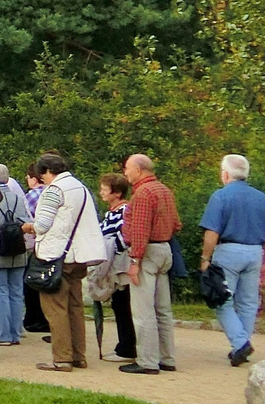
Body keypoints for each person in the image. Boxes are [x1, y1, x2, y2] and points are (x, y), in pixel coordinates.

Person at [23, 152, 105, 371]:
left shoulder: (54, 190)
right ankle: (79, 355)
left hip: (57, 254)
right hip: (79, 254)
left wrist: (27, 227)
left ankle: (61, 358)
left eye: (43, 175)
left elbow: (42, 224)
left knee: (55, 307)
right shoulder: (81, 188)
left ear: (47, 172)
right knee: (75, 307)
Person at [200, 153, 265, 367]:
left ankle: (240, 342)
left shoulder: (221, 196)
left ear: (225, 174)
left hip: (228, 251)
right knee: (248, 302)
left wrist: (205, 258)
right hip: (255, 251)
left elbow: (212, 232)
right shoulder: (262, 198)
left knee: (221, 299)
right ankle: (241, 345)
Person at [118, 153, 180, 375]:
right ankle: (167, 357)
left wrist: (135, 260)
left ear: (139, 169)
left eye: (127, 168)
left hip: (147, 252)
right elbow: (176, 224)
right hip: (164, 248)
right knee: (163, 309)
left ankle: (147, 361)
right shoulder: (164, 190)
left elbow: (140, 230)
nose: (125, 172)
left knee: (143, 310)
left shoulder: (143, 193)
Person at [93, 172, 137, 364]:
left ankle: (127, 347)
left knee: (123, 304)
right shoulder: (113, 211)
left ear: (117, 193)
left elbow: (122, 237)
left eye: (105, 189)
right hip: (115, 264)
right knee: (119, 304)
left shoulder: (123, 211)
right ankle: (125, 345)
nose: (101, 193)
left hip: (121, 264)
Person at [0, 163, 29, 347]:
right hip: (18, 249)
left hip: (0, 248)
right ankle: (16, 332)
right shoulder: (17, 198)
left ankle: (3, 334)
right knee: (17, 291)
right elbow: (25, 220)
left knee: (0, 291)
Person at [21, 163, 50, 334]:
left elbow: (28, 217)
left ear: (34, 178)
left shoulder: (33, 195)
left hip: (36, 242)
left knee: (32, 283)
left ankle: (34, 319)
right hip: (53, 245)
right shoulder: (54, 192)